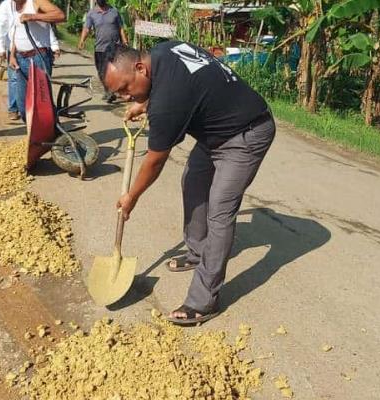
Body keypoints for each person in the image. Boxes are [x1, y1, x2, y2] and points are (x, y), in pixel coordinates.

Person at [101, 42, 276, 325]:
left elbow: (155, 161)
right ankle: (197, 252)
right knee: (193, 180)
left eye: (125, 88)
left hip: (248, 132)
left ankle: (203, 301)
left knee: (219, 211)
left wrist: (131, 196)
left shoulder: (167, 103)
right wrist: (143, 101)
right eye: (118, 93)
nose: (123, 96)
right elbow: (188, 81)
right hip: (216, 131)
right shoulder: (162, 52)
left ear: (140, 68)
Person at [6, 0, 65, 122]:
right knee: (22, 105)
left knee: (42, 100)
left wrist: (32, 16)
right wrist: (12, 55)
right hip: (20, 58)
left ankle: (50, 130)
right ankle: (37, 131)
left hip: (38, 57)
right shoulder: (13, 6)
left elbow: (60, 15)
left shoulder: (36, 2)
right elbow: (16, 32)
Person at [78, 0, 127, 103]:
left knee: (113, 70)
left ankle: (110, 92)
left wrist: (125, 41)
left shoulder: (114, 11)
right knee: (101, 71)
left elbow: (121, 28)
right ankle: (108, 90)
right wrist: (82, 40)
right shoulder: (91, 13)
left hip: (115, 47)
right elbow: (87, 28)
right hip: (100, 48)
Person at [0, 0, 20, 120]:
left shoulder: (35, 3)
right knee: (14, 79)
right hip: (14, 50)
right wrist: (1, 48)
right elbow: (0, 26)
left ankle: (31, 107)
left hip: (33, 49)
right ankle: (13, 108)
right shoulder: (7, 5)